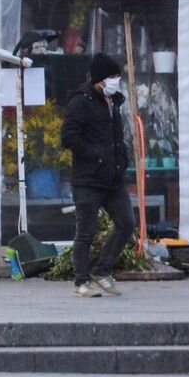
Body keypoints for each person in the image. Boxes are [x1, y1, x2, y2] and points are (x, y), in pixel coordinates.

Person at [61, 54, 133, 298]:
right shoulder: (80, 103)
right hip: (88, 179)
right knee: (86, 231)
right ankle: (81, 281)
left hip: (113, 177)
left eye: (117, 77)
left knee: (127, 223)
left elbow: (116, 136)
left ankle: (102, 270)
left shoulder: (113, 101)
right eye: (113, 77)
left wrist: (122, 159)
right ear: (100, 79)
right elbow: (68, 137)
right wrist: (96, 154)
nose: (116, 81)